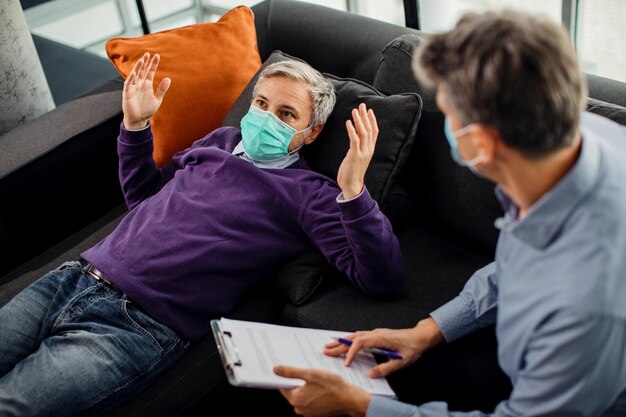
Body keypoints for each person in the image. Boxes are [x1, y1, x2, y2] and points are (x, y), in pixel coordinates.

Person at [0, 54, 404, 416]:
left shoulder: (311, 194)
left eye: (286, 114)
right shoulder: (220, 141)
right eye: (261, 104)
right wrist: (136, 126)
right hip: (70, 279)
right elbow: (144, 200)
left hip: (133, 327)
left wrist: (353, 190)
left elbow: (382, 277)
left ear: (311, 133)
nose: (266, 118)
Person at [274, 9, 626, 417]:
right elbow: (519, 262)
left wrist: (359, 406)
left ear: (478, 142)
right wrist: (426, 332)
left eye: (446, 112)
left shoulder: (588, 304)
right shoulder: (576, 138)